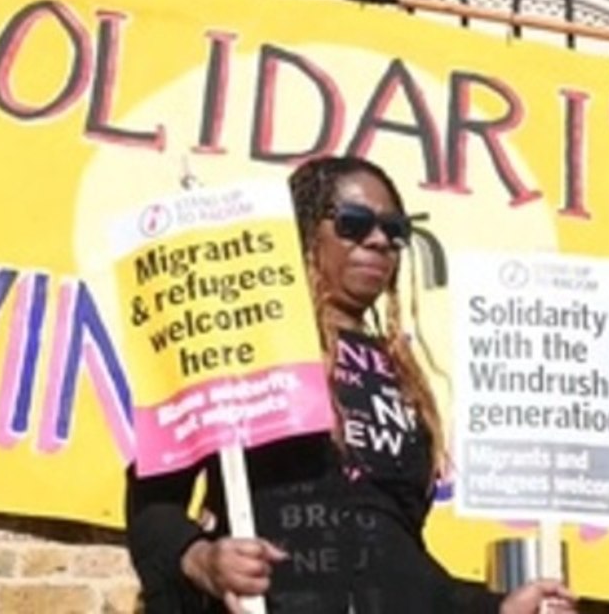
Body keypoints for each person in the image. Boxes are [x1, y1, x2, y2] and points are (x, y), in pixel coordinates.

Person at [124, 155, 574, 613]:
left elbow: (399, 567)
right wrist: (201, 559)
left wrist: (498, 609)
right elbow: (152, 503)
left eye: (394, 231)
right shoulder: (243, 348)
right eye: (354, 223)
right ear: (304, 231)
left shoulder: (401, 378)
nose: (378, 240)